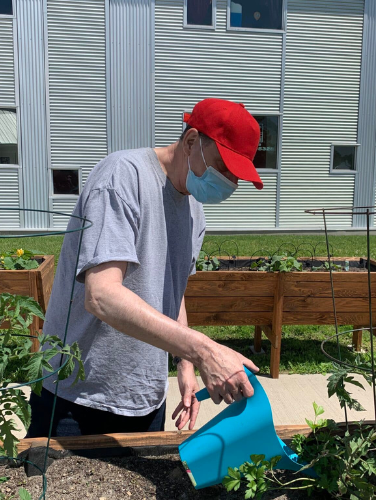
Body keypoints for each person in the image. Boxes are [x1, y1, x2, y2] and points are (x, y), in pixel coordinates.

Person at [27, 98, 264, 438]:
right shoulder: (123, 176)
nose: (229, 183)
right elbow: (101, 295)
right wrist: (204, 351)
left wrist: (185, 365)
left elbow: (171, 290)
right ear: (191, 141)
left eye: (236, 176)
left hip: (146, 397)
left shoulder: (194, 211)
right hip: (76, 398)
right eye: (223, 167)